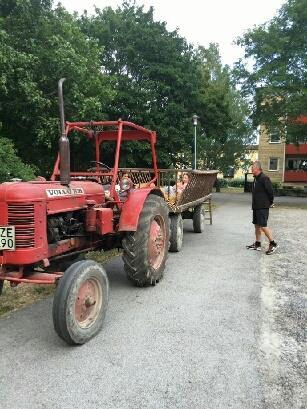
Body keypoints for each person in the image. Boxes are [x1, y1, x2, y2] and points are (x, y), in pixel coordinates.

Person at [246, 161, 279, 255]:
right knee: (256, 225)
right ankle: (257, 244)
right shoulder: (256, 179)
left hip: (262, 207)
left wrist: (271, 202)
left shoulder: (264, 178)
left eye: (253, 168)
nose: (251, 170)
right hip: (256, 206)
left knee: (263, 226)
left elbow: (270, 192)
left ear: (258, 169)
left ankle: (273, 243)